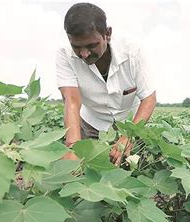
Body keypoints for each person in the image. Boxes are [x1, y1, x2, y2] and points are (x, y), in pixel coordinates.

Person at [56, 3, 156, 166]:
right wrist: (72, 146)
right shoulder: (64, 56)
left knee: (126, 173)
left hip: (129, 123)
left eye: (91, 45)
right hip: (92, 122)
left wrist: (129, 136)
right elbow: (72, 100)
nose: (84, 54)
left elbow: (149, 98)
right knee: (85, 169)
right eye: (77, 47)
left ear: (107, 34)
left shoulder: (133, 52)